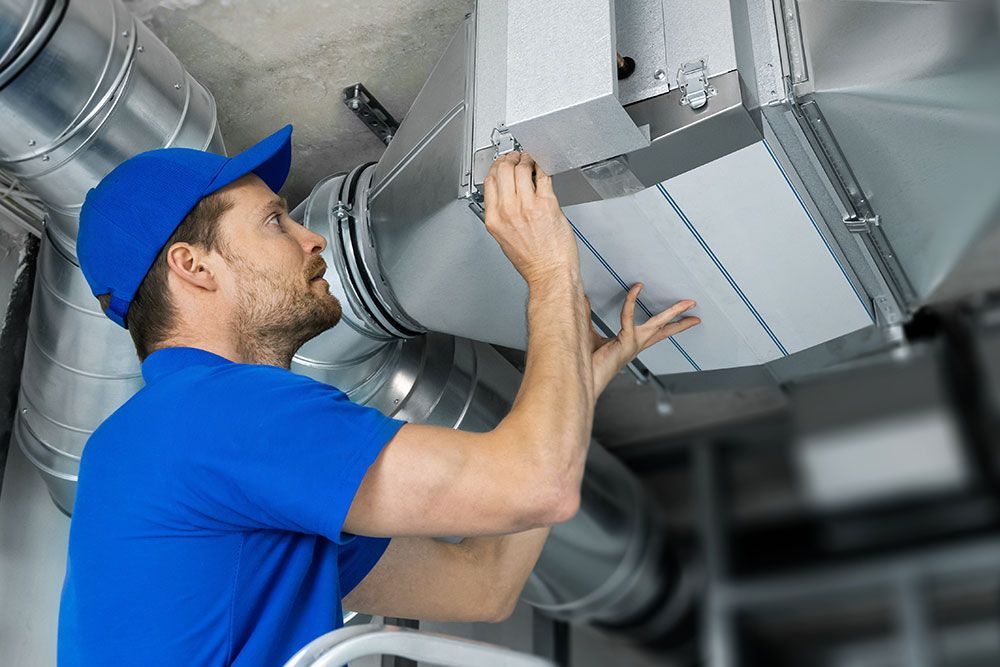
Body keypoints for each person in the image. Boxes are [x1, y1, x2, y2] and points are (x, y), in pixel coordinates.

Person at [57, 125, 700, 666]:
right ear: (193, 266)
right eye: (274, 222)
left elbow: (485, 585)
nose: (311, 238)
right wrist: (551, 270)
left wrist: (578, 383)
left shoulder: (170, 446)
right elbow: (539, 488)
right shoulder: (214, 416)